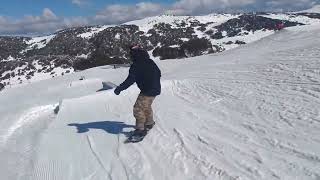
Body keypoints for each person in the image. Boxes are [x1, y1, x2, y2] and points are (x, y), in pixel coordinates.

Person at [114, 45, 161, 139]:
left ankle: (140, 130)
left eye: (131, 55)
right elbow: (159, 73)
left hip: (147, 90)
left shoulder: (136, 65)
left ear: (133, 56)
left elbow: (130, 81)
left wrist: (119, 88)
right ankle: (149, 123)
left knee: (138, 109)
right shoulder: (149, 61)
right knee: (146, 106)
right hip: (156, 89)